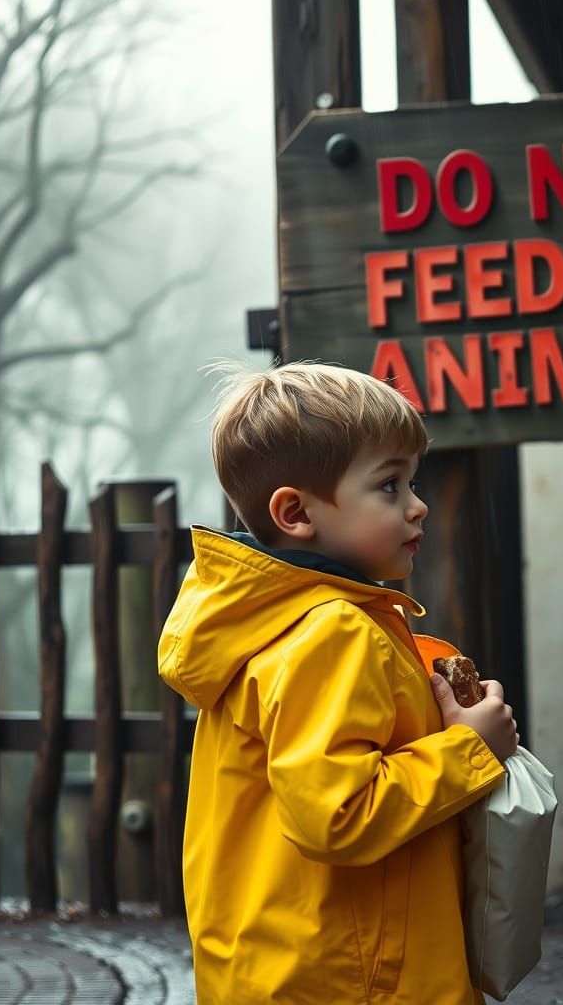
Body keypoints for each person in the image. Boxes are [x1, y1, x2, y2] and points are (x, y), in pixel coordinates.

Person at [158, 362, 519, 1004]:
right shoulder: (331, 633)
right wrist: (471, 749)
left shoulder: (264, 625)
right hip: (357, 982)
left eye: (412, 480)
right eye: (389, 485)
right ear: (296, 512)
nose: (417, 505)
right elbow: (337, 815)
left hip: (283, 967)